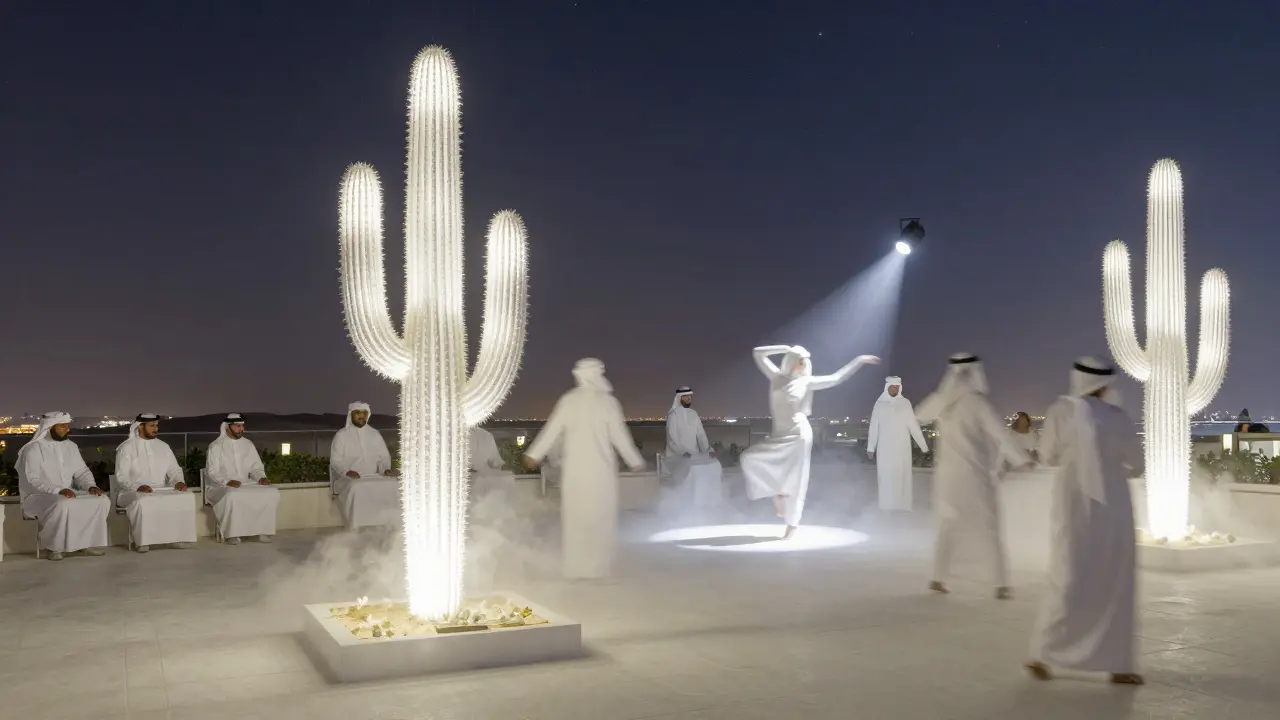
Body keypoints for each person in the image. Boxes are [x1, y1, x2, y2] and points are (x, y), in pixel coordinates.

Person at [1025, 357, 1145, 685]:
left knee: (1067, 572)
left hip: (1071, 500)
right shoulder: (1117, 417)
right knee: (1114, 576)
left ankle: (1043, 653)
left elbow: (1048, 455)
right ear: (1105, 384)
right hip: (1114, 504)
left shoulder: (1060, 411)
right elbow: (1136, 465)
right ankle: (1117, 663)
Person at [916, 353, 1031, 599]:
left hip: (946, 478)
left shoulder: (943, 401)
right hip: (973, 477)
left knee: (947, 527)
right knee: (989, 528)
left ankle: (938, 578)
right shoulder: (977, 402)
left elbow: (919, 414)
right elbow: (1000, 433)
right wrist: (1022, 460)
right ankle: (1001, 584)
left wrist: (940, 396)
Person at [523, 358, 646, 579]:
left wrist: (534, 454)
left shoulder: (569, 400)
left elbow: (552, 429)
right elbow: (620, 436)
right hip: (601, 472)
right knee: (600, 519)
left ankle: (576, 570)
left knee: (577, 519)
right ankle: (598, 570)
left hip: (575, 472)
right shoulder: (608, 402)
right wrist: (634, 460)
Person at [741, 345, 879, 539]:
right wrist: (784, 348)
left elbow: (837, 378)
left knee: (797, 479)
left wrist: (860, 360)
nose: (803, 365)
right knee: (749, 458)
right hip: (779, 433)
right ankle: (778, 492)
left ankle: (792, 525)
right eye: (799, 360)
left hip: (799, 434)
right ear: (790, 360)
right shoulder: (776, 377)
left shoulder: (806, 382)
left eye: (804, 361)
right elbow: (757, 352)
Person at [16, 412, 110, 560]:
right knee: (62, 503)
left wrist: (90, 486)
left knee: (101, 500)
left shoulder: (71, 446)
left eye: (68, 425)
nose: (68, 429)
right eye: (63, 426)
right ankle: (53, 548)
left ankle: (87, 544)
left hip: (67, 492)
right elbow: (33, 480)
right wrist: (58, 490)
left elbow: (81, 472)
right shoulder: (33, 449)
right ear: (49, 427)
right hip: (38, 496)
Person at [114, 413, 196, 552]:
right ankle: (143, 542)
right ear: (140, 426)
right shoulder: (126, 448)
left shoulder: (163, 446)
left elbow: (174, 469)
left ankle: (176, 538)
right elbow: (121, 477)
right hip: (131, 492)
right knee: (144, 501)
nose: (156, 429)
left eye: (157, 425)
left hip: (160, 489)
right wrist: (138, 487)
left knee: (187, 496)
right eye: (152, 426)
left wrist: (178, 482)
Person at [203, 413, 280, 544]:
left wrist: (261, 478)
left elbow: (256, 467)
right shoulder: (215, 446)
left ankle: (260, 531)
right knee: (233, 495)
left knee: (271, 492)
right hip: (219, 486)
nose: (241, 429)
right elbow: (212, 471)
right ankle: (231, 534)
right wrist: (227, 481)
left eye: (242, 426)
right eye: (237, 426)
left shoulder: (248, 444)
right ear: (227, 427)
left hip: (244, 484)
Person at [329, 402, 400, 530]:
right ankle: (357, 528)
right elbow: (335, 461)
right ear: (351, 415)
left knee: (394, 484)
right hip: (346, 478)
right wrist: (347, 472)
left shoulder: (375, 434)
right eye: (358, 413)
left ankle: (391, 524)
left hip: (374, 475)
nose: (361, 416)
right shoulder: (341, 435)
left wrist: (385, 469)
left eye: (364, 413)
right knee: (357, 487)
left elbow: (384, 457)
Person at [867, 376, 929, 511]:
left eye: (896, 387)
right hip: (885, 447)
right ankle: (886, 506)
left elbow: (913, 426)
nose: (894, 389)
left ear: (900, 388)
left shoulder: (905, 403)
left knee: (902, 476)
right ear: (887, 387)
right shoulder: (879, 404)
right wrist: (871, 447)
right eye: (892, 386)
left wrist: (923, 446)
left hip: (902, 447)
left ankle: (903, 506)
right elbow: (873, 427)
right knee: (886, 477)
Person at [663, 386, 724, 507]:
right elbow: (672, 441)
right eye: (685, 397)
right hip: (676, 456)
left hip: (694, 455)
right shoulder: (672, 416)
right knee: (693, 469)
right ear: (679, 398)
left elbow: (701, 436)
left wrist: (709, 450)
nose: (688, 399)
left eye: (690, 397)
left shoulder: (694, 414)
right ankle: (694, 505)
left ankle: (711, 502)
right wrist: (682, 452)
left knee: (715, 465)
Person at [469, 426, 516, 497]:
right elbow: (496, 463)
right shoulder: (485, 435)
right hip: (478, 485)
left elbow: (496, 463)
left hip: (471, 485)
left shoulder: (485, 435)